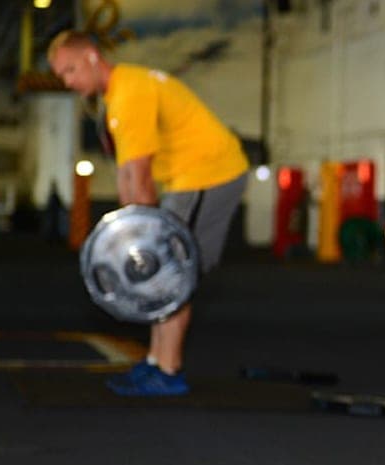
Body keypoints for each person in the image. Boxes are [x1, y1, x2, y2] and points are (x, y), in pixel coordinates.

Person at [48, 31, 249, 397]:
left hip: (211, 173)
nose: (69, 81)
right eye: (62, 76)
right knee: (160, 268)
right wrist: (130, 237)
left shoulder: (129, 94)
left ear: (93, 57)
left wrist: (139, 242)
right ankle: (156, 362)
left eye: (71, 70)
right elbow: (127, 175)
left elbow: (138, 177)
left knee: (171, 270)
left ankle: (168, 371)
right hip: (187, 177)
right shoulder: (121, 92)